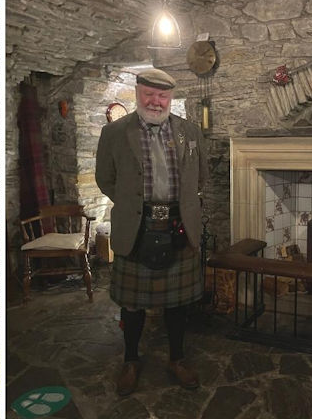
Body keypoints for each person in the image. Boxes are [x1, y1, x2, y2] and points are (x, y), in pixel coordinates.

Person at [95, 67, 208, 396]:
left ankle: (178, 358)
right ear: (138, 92)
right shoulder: (115, 133)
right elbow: (105, 178)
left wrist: (180, 205)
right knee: (132, 304)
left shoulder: (189, 131)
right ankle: (130, 360)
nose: (155, 102)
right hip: (137, 227)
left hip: (179, 225)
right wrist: (134, 206)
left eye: (162, 96)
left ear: (170, 98)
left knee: (178, 302)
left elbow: (199, 177)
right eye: (149, 94)